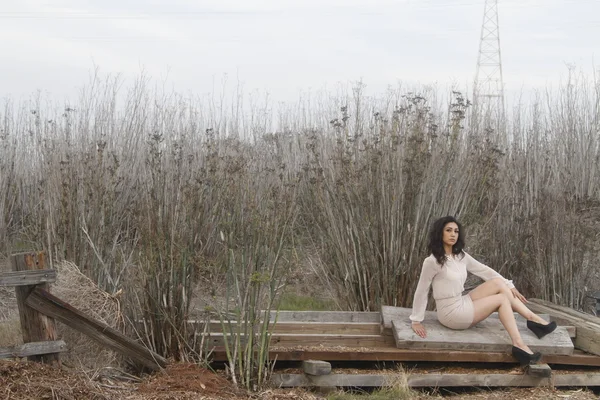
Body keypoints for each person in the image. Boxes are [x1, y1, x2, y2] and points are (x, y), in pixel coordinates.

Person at [409, 216, 557, 365]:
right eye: (448, 230)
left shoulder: (460, 256)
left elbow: (484, 270)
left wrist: (509, 285)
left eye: (456, 231)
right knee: (501, 300)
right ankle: (519, 344)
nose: (453, 234)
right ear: (439, 233)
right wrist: (416, 320)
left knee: (498, 283)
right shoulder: (432, 261)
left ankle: (532, 319)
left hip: (461, 301)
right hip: (451, 313)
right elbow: (422, 290)